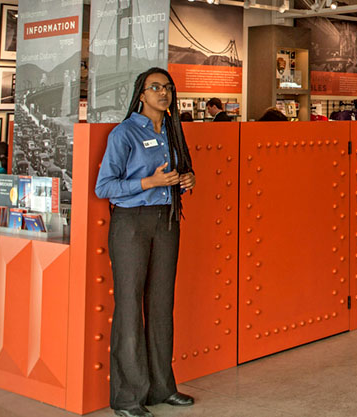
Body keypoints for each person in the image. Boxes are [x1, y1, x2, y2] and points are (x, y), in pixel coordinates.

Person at [95, 67, 196, 417]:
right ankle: (127, 398)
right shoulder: (124, 133)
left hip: (166, 222)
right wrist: (148, 183)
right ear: (141, 94)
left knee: (160, 306)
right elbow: (104, 187)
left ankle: (161, 387)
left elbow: (181, 170)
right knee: (129, 308)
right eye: (155, 87)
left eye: (167, 88)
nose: (163, 93)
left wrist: (186, 178)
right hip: (131, 225)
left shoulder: (172, 130)